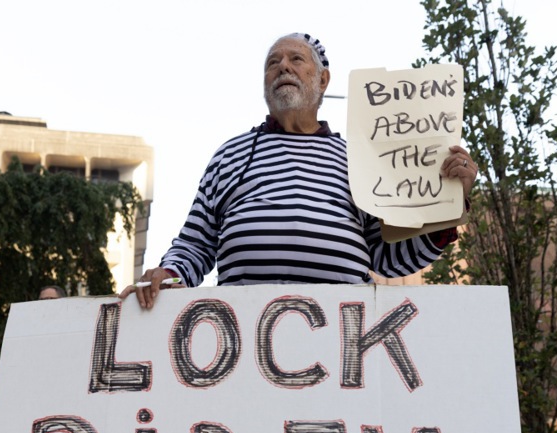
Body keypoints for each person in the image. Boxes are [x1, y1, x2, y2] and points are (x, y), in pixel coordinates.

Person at [120, 32, 477, 308]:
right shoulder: (230, 155)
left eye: (295, 59)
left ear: (323, 80)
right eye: (272, 63)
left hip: (344, 343)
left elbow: (386, 257)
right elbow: (195, 243)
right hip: (242, 341)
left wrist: (445, 210)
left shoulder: (359, 158)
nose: (282, 68)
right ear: (264, 82)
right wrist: (168, 274)